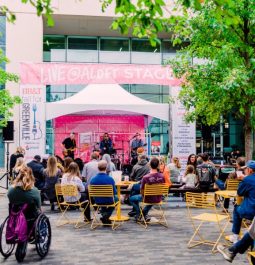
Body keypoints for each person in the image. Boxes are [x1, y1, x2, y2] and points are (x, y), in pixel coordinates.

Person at [227, 160, 255, 244]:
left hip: (251, 211)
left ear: (249, 170)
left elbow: (240, 192)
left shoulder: (247, 180)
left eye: (246, 169)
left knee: (236, 209)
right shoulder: (248, 179)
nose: (244, 171)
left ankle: (235, 236)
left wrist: (244, 179)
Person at [129, 157, 165, 222]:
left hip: (148, 198)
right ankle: (144, 214)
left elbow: (142, 191)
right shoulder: (162, 176)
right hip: (158, 198)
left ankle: (139, 213)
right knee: (151, 197)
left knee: (131, 199)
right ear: (158, 165)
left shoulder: (145, 177)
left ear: (149, 165)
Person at [90, 160, 118, 225]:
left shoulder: (92, 179)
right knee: (117, 199)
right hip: (108, 200)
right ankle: (106, 216)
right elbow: (114, 192)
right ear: (106, 168)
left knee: (102, 199)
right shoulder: (110, 179)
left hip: (97, 201)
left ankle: (104, 216)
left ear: (98, 168)